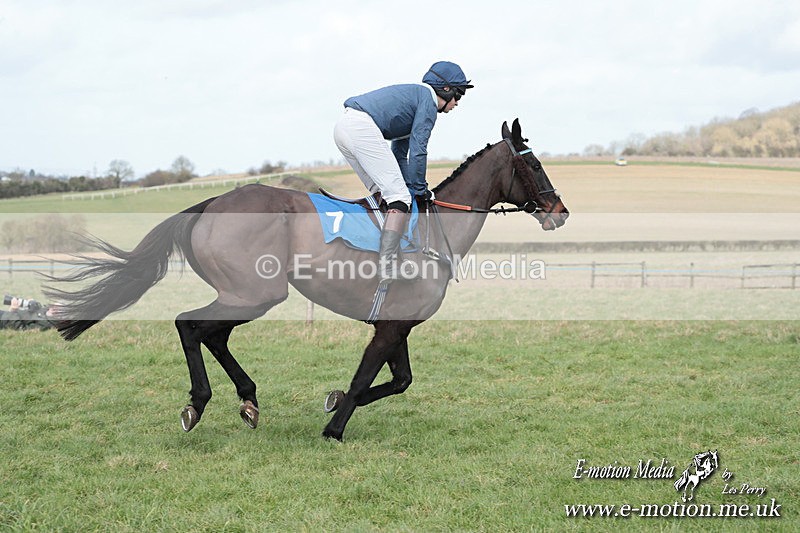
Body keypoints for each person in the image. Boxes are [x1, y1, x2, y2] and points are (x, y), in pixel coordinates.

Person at [334, 60, 473, 281]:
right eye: (459, 95)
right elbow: (418, 151)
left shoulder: (416, 98)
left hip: (344, 128)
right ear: (446, 89)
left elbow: (400, 152)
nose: (457, 102)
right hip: (360, 128)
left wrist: (412, 187)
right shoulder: (428, 102)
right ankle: (386, 266)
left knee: (386, 195)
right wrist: (420, 189)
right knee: (399, 198)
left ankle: (374, 252)